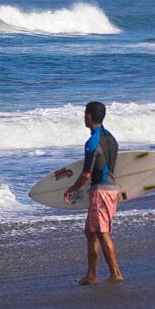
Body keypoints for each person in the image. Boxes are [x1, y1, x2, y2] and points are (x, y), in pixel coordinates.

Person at [64, 101, 123, 285]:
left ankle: (116, 274)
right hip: (110, 189)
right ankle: (91, 275)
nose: (84, 117)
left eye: (84, 113)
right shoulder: (111, 138)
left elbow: (87, 174)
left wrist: (71, 190)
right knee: (90, 232)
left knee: (102, 232)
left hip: (101, 192)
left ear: (89, 116)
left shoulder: (92, 143)